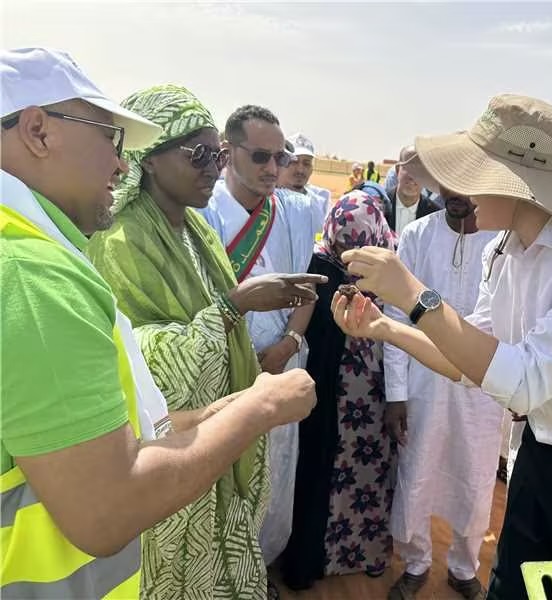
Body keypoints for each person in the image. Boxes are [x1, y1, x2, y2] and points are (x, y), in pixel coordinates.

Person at [330, 94, 552, 600]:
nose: (457, 189)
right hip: (546, 454)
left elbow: (523, 383)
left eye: (472, 174)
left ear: (515, 184)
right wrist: (382, 329)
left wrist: (412, 294)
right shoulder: (504, 248)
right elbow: (470, 359)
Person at [0, 47, 317, 599]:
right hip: (146, 503)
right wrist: (241, 338)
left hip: (182, 458)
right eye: (111, 139)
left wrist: (238, 403)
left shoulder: (193, 233)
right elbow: (110, 493)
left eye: (217, 156)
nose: (120, 162)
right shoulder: (41, 270)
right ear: (38, 132)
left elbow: (124, 397)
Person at [86, 85, 325, 599]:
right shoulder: (122, 241)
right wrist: (235, 307)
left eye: (217, 155)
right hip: (170, 449)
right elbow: (141, 359)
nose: (213, 168)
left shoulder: (196, 228)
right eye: (197, 154)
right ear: (148, 159)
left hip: (220, 433)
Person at [201, 106, 319, 584]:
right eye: (262, 157)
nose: (274, 169)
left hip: (281, 363)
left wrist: (289, 343)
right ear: (228, 154)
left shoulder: (294, 211)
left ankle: (262, 567)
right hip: (222, 367)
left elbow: (307, 290)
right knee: (223, 472)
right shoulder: (202, 213)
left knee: (276, 472)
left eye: (281, 156)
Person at [383, 181, 501, 600]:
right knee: (417, 471)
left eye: (469, 186)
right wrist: (396, 392)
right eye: (450, 183)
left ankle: (464, 568)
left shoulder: (502, 240)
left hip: (483, 389)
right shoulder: (418, 235)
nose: (457, 193)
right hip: (422, 382)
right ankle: (415, 564)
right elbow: (395, 311)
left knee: (476, 477)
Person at [281, 190, 398, 591]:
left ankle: (363, 552)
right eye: (345, 246)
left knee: (370, 472)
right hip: (327, 395)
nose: (351, 256)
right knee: (320, 470)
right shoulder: (319, 266)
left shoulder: (391, 269)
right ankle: (314, 556)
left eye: (360, 245)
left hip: (373, 394)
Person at [278, 132, 331, 234]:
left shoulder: (321, 201)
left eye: (306, 163)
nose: (300, 170)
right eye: (294, 162)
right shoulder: (267, 199)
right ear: (282, 162)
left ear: (312, 169)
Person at [386, 145, 440, 235]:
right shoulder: (378, 208)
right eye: (409, 168)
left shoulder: (434, 217)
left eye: (420, 171)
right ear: (397, 169)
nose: (413, 177)